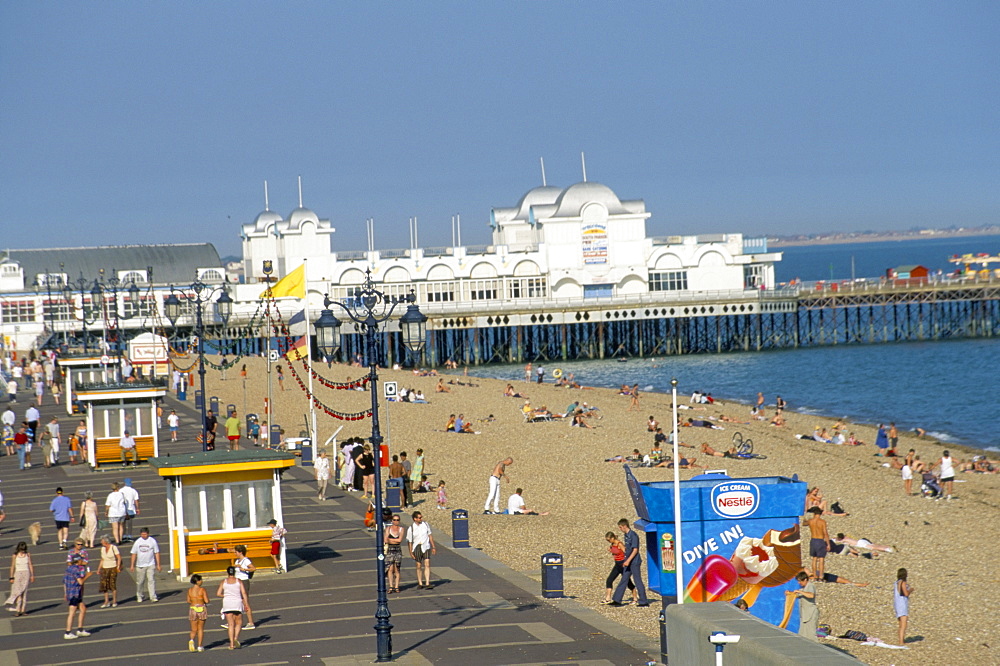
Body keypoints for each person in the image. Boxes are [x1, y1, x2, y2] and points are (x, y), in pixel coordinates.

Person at [608, 518, 649, 607]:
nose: (620, 529)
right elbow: (627, 549)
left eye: (620, 527)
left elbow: (635, 550)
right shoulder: (626, 535)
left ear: (625, 526)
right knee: (624, 579)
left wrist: (628, 560)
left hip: (634, 561)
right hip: (628, 561)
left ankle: (643, 601)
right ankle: (617, 600)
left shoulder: (633, 535)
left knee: (637, 580)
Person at [601, 532, 637, 605]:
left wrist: (627, 562)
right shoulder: (612, 545)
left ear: (612, 538)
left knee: (628, 582)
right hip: (617, 564)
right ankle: (608, 598)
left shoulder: (619, 544)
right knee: (609, 580)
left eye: (609, 540)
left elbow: (626, 553)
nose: (608, 542)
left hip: (622, 564)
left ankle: (635, 598)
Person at [62, 554, 92, 640]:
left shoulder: (68, 569)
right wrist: (88, 575)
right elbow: (80, 582)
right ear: (78, 561)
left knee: (83, 608)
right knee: (72, 613)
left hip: (72, 592)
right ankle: (68, 632)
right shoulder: (76, 570)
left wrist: (65, 593)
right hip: (74, 593)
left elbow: (64, 582)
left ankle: (80, 629)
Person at [217, 566, 248, 649]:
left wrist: (226, 595)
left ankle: (231, 644)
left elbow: (218, 593)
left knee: (230, 624)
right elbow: (244, 592)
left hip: (227, 603)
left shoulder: (224, 581)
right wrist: (246, 603)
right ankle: (236, 638)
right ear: (234, 572)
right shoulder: (239, 581)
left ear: (227, 572)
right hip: (237, 602)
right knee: (239, 622)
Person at [129, 527, 161, 602]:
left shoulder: (152, 541)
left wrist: (158, 564)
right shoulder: (137, 542)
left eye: (145, 534)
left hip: (150, 564)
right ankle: (140, 595)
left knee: (151, 580)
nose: (143, 536)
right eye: (142, 534)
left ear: (148, 534)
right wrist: (132, 565)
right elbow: (133, 553)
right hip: (140, 565)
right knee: (140, 581)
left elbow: (156, 552)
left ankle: (153, 596)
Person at [406, 511, 436, 589]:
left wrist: (433, 546)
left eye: (421, 517)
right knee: (418, 565)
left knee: (427, 563)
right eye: (419, 518)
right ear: (415, 519)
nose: (421, 519)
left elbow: (430, 535)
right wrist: (411, 552)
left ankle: (427, 582)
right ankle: (420, 582)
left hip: (426, 546)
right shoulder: (411, 528)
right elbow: (409, 541)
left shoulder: (425, 525)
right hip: (417, 546)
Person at [4, 541, 34, 616]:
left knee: (24, 592)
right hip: (18, 574)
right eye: (21, 550)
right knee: (18, 592)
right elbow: (12, 566)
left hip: (26, 574)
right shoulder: (15, 556)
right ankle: (18, 610)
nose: (22, 552)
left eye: (23, 550)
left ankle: (23, 610)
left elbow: (30, 565)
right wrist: (11, 577)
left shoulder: (28, 555)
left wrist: (32, 575)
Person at [787, 571, 818, 641]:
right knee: (802, 634)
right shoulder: (803, 588)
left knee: (811, 634)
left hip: (811, 613)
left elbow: (811, 595)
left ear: (805, 580)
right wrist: (789, 593)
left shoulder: (810, 586)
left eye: (800, 581)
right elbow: (796, 595)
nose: (799, 583)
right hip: (804, 615)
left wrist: (800, 592)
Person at [232, 544, 257, 629]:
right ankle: (233, 621)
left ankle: (250, 622)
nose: (235, 553)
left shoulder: (246, 561)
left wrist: (244, 569)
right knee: (237, 602)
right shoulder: (237, 561)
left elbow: (253, 568)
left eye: (236, 552)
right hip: (238, 582)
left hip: (244, 582)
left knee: (245, 602)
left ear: (240, 552)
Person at [804, 507, 829, 579]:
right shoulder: (822, 522)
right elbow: (825, 533)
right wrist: (828, 543)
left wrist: (806, 519)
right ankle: (821, 576)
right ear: (820, 513)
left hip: (813, 540)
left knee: (814, 558)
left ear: (814, 513)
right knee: (821, 559)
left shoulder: (810, 521)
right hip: (820, 540)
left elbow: (804, 524)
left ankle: (815, 575)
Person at [187, 574, 209, 652]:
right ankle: (200, 646)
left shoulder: (190, 590)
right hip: (201, 609)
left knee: (193, 629)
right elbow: (206, 600)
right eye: (201, 580)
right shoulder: (202, 590)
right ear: (198, 581)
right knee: (200, 629)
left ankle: (192, 640)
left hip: (193, 609)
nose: (202, 581)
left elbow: (188, 601)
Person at [97, 535, 121, 608]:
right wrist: (99, 569)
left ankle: (114, 601)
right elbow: (102, 559)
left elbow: (119, 557)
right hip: (105, 568)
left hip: (113, 567)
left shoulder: (113, 547)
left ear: (105, 542)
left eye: (102, 541)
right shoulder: (102, 549)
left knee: (112, 585)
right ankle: (106, 601)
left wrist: (118, 566)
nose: (101, 542)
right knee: (105, 586)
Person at [384, 514, 404, 593]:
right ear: (392, 521)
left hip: (397, 550)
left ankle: (396, 586)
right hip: (390, 549)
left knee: (397, 569)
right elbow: (385, 540)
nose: (396, 521)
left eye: (397, 520)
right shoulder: (388, 529)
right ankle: (391, 586)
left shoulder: (401, 529)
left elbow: (400, 540)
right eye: (394, 520)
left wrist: (390, 539)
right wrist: (393, 540)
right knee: (390, 568)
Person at [894, 568, 913, 646]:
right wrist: (910, 590)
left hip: (897, 603)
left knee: (900, 623)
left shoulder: (896, 582)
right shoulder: (903, 583)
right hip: (902, 604)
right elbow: (905, 593)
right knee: (903, 624)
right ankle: (901, 641)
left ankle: (901, 639)